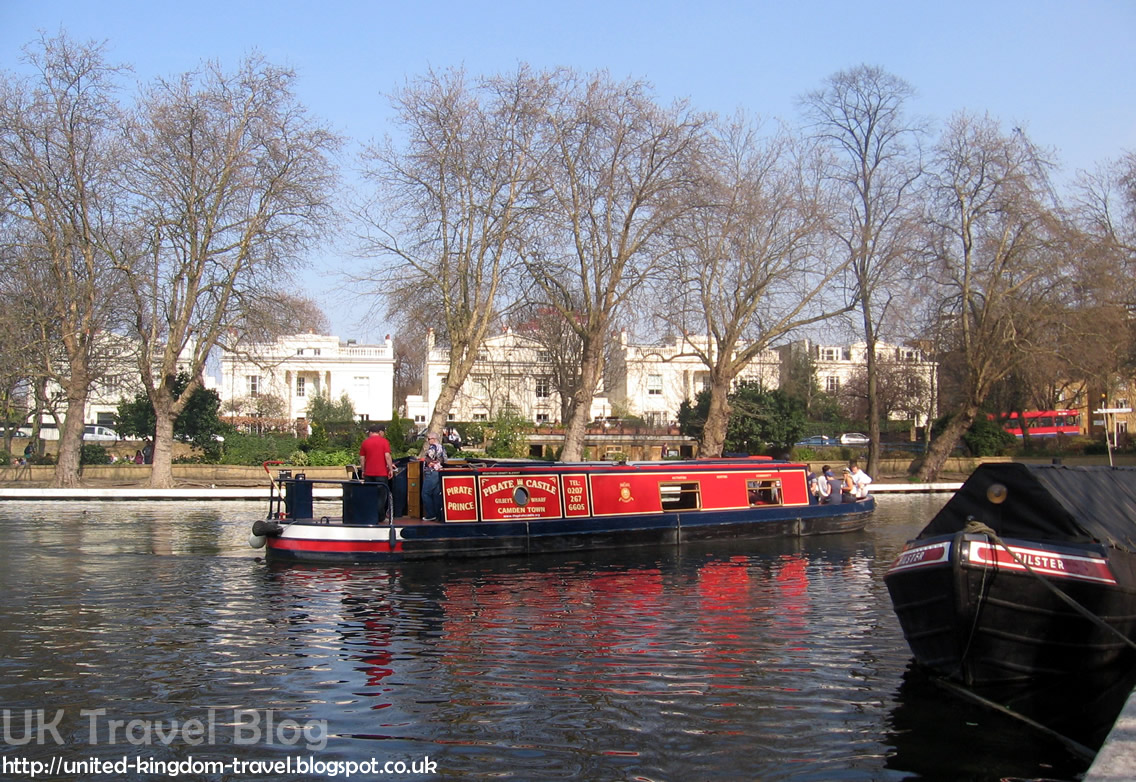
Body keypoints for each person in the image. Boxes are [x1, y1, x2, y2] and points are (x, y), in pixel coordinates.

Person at [359, 424, 396, 522]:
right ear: (378, 432)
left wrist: (363, 470)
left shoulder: (365, 442)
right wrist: (390, 469)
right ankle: (380, 516)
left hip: (369, 473)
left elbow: (362, 458)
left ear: (370, 432)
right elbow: (387, 456)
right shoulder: (384, 442)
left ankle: (370, 515)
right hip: (381, 473)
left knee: (370, 495)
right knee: (381, 496)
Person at [421, 432, 447, 521]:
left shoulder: (432, 447)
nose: (428, 441)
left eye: (429, 439)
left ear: (433, 439)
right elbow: (445, 460)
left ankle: (430, 514)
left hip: (431, 472)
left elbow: (429, 457)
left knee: (425, 493)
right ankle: (438, 515)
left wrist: (428, 461)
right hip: (438, 472)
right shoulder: (442, 447)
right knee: (436, 494)